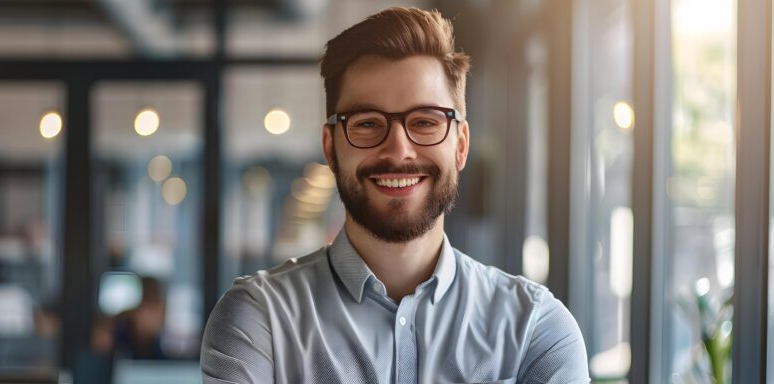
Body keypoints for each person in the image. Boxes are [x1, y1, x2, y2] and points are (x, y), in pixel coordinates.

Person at [200, 7, 590, 384]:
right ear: (331, 147)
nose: (398, 150)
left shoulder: (534, 330)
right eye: (368, 123)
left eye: (425, 121)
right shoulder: (259, 318)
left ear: (460, 146)